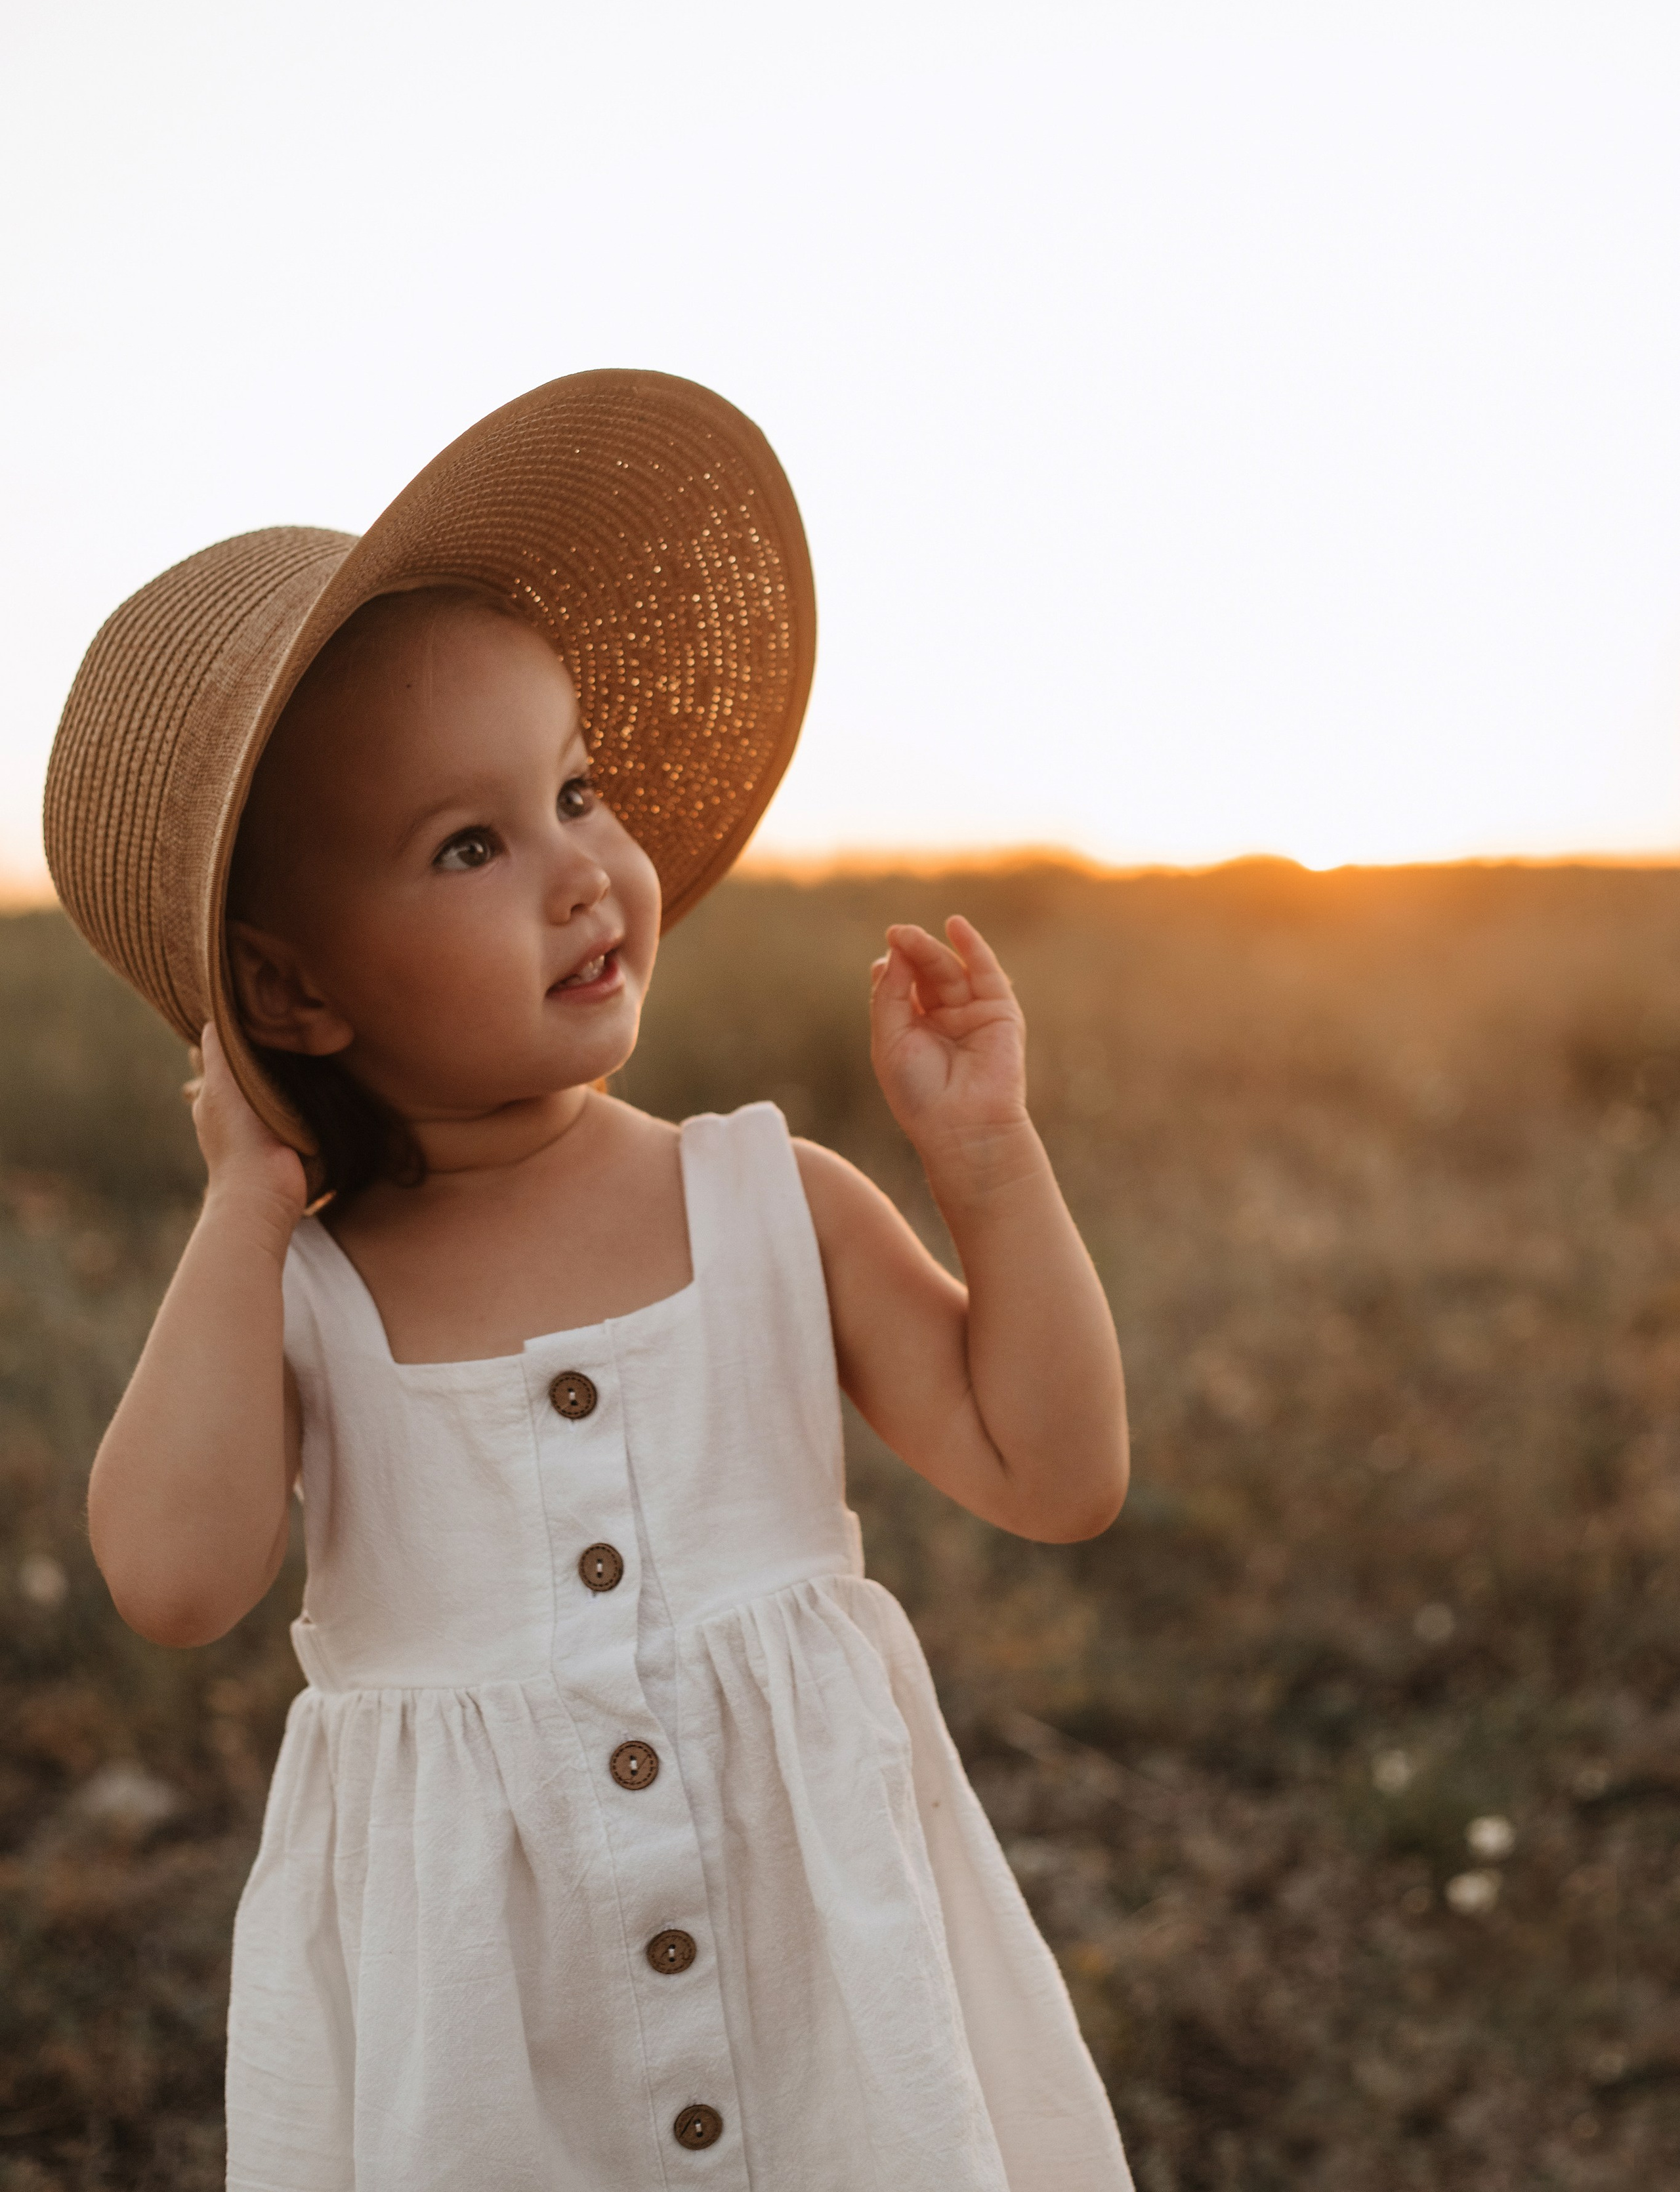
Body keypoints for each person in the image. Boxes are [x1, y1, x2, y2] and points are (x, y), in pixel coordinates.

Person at [47, 369, 1133, 2190]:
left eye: (575, 790)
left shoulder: (770, 1201)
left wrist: (990, 1165)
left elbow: (1057, 1469)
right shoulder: (307, 1298)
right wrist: (242, 1214)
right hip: (493, 2056)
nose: (583, 871)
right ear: (299, 997)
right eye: (472, 844)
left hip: (826, 2013)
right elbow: (167, 1578)